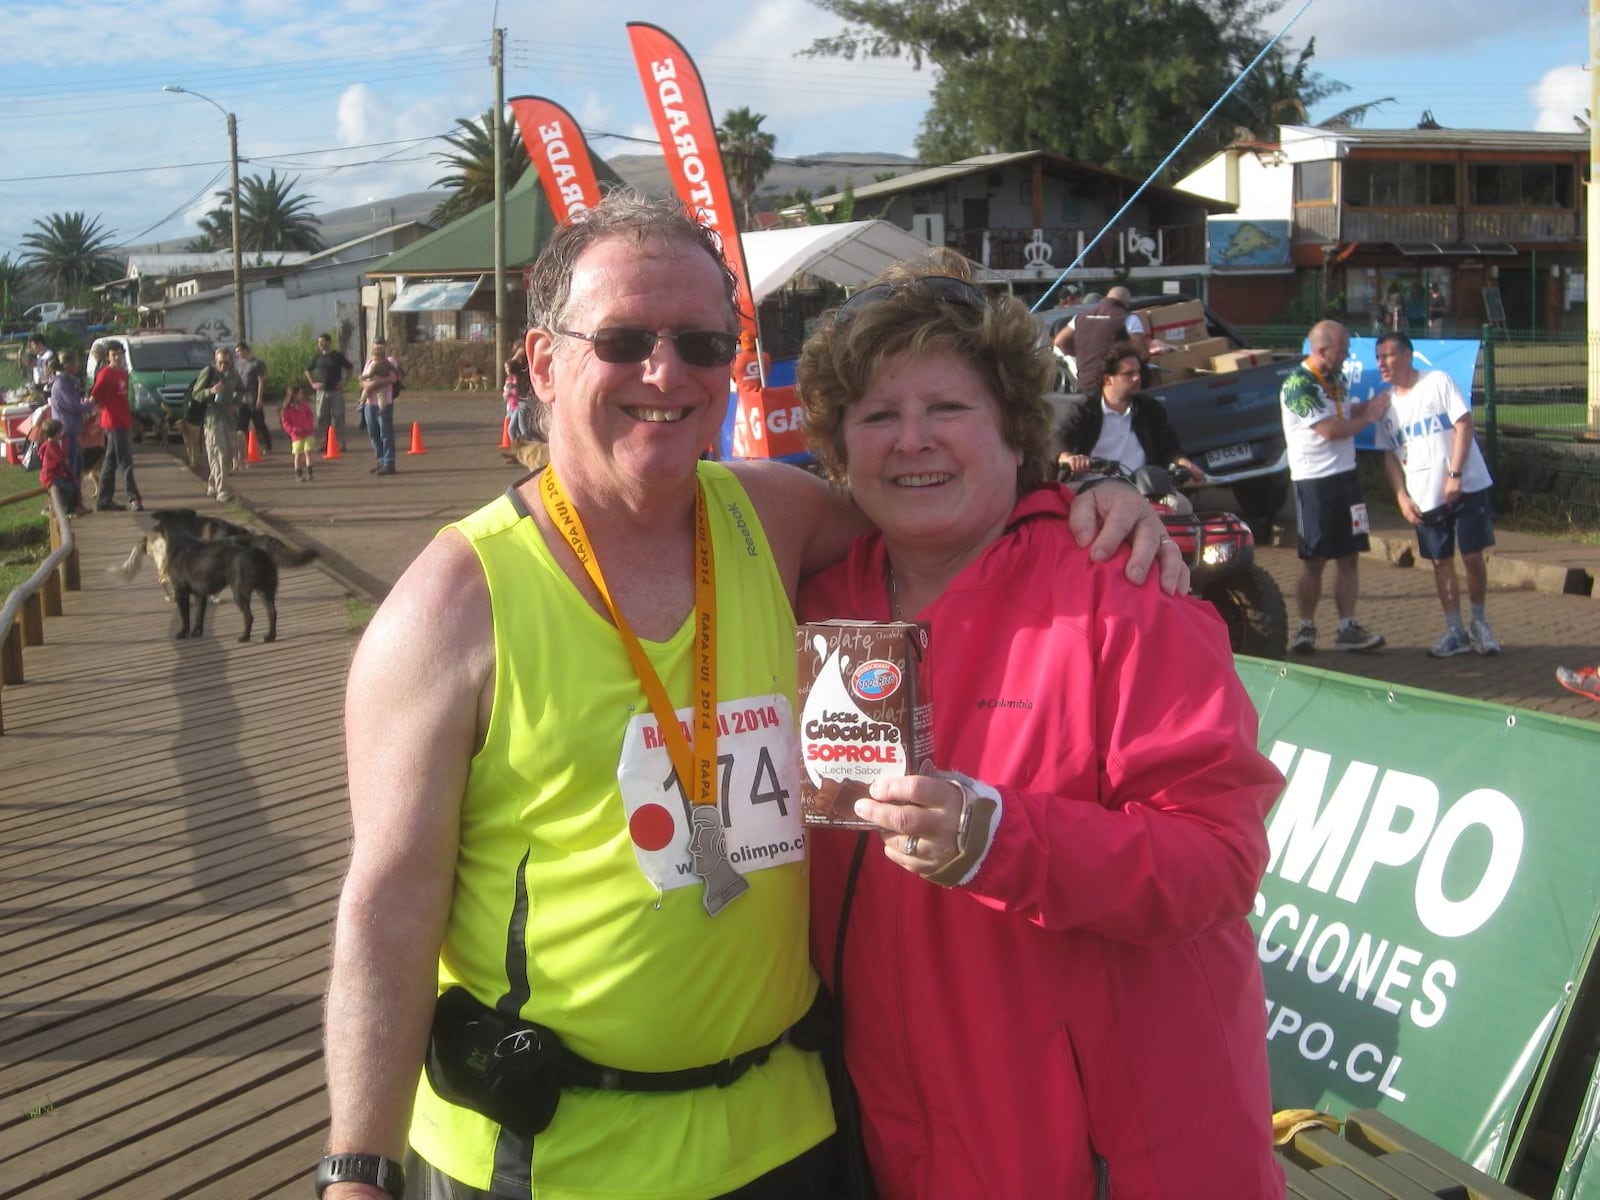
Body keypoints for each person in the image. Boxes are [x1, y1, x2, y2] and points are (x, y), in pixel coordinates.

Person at [319, 191, 1183, 1200]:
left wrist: (1084, 498)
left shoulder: (772, 515)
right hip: (553, 1156)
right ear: (543, 364)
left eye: (698, 341)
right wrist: (356, 1168)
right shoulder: (452, 604)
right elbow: (389, 900)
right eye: (625, 338)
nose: (665, 372)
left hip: (784, 1134)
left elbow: (943, 497)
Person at [796, 257, 1284, 1200]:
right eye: (876, 416)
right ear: (838, 448)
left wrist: (1002, 838)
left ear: (1016, 429)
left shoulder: (1118, 587)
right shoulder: (815, 604)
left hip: (1116, 1159)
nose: (912, 442)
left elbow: (1220, 857)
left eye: (947, 408)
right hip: (905, 1149)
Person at [1373, 331, 1499, 657]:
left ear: (1406, 355)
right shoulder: (1386, 407)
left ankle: (1480, 623)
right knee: (1441, 563)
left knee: (1471, 556)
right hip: (1424, 496)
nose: (1382, 364)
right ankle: (1454, 630)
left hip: (1466, 486)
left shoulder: (1437, 381)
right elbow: (1388, 453)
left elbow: (1464, 424)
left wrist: (1455, 474)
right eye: (1378, 358)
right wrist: (1401, 496)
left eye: (1388, 356)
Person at [1280, 320, 1390, 654]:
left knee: (1349, 554)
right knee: (1315, 559)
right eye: (1342, 351)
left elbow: (1343, 411)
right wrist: (1368, 419)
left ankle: (1347, 627)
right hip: (1315, 481)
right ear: (1322, 350)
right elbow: (1329, 429)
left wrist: (1370, 407)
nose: (1346, 356)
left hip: (1347, 477)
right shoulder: (1299, 385)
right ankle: (1305, 627)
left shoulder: (1335, 378)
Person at [1057, 341, 1202, 504]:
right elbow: (1059, 442)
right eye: (1128, 374)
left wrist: (1184, 463)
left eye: (1138, 372)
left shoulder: (1150, 408)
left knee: (1180, 506)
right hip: (1095, 487)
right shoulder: (1086, 409)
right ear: (1108, 379)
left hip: (1144, 486)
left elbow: (1170, 448)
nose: (1137, 378)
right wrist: (1069, 458)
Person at [1051, 284, 1148, 399]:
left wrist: (1083, 353)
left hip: (1085, 383)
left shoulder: (1080, 317)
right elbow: (1142, 354)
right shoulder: (1129, 319)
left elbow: (1059, 342)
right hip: (1113, 385)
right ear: (1126, 303)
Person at [89, 343, 142, 511]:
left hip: (123, 420)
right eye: (114, 355)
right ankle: (133, 498)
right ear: (108, 357)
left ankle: (103, 500)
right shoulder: (105, 374)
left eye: (120, 354)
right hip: (112, 422)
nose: (118, 358)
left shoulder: (123, 374)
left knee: (110, 462)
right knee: (125, 461)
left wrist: (129, 420)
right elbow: (94, 397)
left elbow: (124, 399)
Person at [191, 346, 244, 502]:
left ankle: (213, 483)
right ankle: (222, 490)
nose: (223, 366)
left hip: (228, 417)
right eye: (220, 363)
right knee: (218, 453)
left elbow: (241, 389)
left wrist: (236, 402)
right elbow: (196, 394)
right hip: (212, 418)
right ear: (215, 361)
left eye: (226, 363)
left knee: (229, 452)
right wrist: (210, 391)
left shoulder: (233, 374)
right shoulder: (209, 373)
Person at [305, 333, 355, 452]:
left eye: (322, 342)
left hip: (336, 391)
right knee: (322, 417)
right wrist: (313, 383)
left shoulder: (337, 356)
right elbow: (307, 370)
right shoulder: (317, 357)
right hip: (322, 392)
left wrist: (345, 381)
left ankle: (340, 442)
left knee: (339, 415)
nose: (320, 344)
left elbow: (350, 368)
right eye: (319, 342)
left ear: (328, 342)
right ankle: (324, 442)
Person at [48, 348, 90, 485]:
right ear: (68, 365)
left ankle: (76, 499)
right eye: (76, 363)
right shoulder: (61, 384)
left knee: (78, 464)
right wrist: (90, 405)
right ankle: (69, 501)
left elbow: (73, 403)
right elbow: (72, 406)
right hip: (66, 429)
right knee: (72, 465)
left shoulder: (69, 382)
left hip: (72, 428)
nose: (78, 366)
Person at [359, 337, 401, 475]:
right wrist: (367, 384)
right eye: (377, 344)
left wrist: (377, 383)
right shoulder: (370, 361)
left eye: (381, 344)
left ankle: (389, 462)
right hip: (369, 403)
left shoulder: (389, 361)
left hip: (384, 402)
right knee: (373, 433)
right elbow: (363, 379)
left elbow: (393, 378)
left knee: (385, 432)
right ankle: (381, 460)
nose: (379, 346)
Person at [35, 418, 86, 516]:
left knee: (73, 484)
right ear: (56, 433)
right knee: (68, 488)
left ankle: (74, 507)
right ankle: (67, 510)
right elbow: (60, 460)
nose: (62, 434)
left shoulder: (53, 444)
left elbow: (62, 462)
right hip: (50, 477)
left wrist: (70, 475)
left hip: (54, 475)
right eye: (60, 432)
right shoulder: (51, 446)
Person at [234, 341, 273, 457]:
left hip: (253, 396)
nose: (238, 354)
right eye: (237, 352)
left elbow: (261, 381)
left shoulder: (257, 363)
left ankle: (266, 445)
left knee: (259, 423)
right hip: (241, 398)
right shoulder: (236, 364)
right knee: (241, 425)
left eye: (240, 351)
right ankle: (244, 447)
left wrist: (259, 399)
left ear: (246, 350)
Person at [280, 383, 318, 481]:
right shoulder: (287, 409)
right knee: (298, 455)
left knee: (308, 452)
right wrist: (294, 430)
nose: (302, 395)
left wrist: (307, 426)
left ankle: (310, 473)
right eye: (300, 393)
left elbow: (310, 416)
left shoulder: (305, 406)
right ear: (294, 395)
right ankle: (299, 474)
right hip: (296, 435)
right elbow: (285, 423)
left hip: (308, 433)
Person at [731, 328, 770, 395]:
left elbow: (734, 378)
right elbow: (767, 372)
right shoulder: (765, 357)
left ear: (741, 343)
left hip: (745, 399)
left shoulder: (735, 360)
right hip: (763, 395)